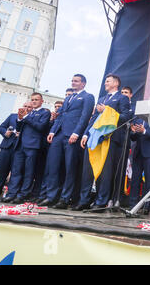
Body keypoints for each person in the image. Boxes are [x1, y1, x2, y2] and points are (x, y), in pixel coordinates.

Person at [73, 74, 132, 211]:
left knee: (105, 172)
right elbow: (94, 118)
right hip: (94, 138)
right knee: (88, 170)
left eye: (108, 81)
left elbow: (126, 117)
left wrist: (107, 110)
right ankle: (84, 200)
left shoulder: (122, 98)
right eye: (105, 81)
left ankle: (101, 201)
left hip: (109, 138)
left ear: (116, 83)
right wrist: (86, 134)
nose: (105, 83)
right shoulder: (101, 98)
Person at [40, 74, 95, 208]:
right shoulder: (69, 97)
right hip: (59, 135)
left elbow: (85, 116)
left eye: (76, 81)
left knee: (70, 168)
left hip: (72, 135)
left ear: (83, 83)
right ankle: (51, 196)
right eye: (72, 80)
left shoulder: (88, 97)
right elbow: (60, 116)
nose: (73, 83)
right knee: (53, 166)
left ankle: (65, 198)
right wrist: (53, 131)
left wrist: (77, 132)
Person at [3, 93, 51, 203]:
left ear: (41, 101)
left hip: (33, 145)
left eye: (36, 100)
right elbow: (19, 128)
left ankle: (23, 195)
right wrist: (20, 119)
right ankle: (11, 194)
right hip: (20, 144)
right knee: (16, 170)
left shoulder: (44, 112)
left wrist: (25, 117)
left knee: (29, 172)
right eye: (32, 99)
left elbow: (41, 127)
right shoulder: (28, 113)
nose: (34, 101)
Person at [0, 104, 32, 201]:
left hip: (20, 149)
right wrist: (5, 133)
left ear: (32, 109)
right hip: (7, 147)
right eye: (24, 105)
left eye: (29, 107)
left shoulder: (31, 119)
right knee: (0, 171)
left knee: (16, 173)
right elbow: (1, 127)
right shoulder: (12, 116)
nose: (26, 108)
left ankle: (10, 195)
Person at [128, 118, 150, 214]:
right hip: (138, 153)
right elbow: (133, 137)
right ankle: (133, 205)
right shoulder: (138, 119)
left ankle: (147, 206)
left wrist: (144, 131)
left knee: (149, 180)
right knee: (135, 180)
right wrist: (133, 132)